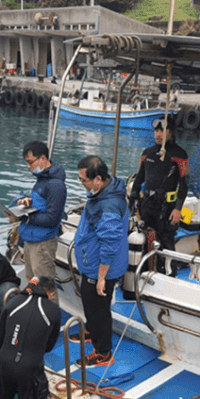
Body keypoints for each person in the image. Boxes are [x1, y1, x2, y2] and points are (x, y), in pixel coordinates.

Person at [74, 156, 130, 367]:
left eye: (84, 181)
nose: (83, 185)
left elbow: (110, 243)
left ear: (98, 179)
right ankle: (92, 331)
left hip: (101, 268)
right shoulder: (106, 190)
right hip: (91, 263)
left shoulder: (109, 206)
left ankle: (103, 352)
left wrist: (101, 278)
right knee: (90, 305)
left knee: (99, 309)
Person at [8, 140, 67, 305]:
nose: (28, 166)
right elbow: (40, 205)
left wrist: (26, 217)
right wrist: (25, 201)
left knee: (45, 285)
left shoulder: (55, 185)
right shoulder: (42, 179)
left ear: (42, 159)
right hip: (31, 239)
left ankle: (50, 321)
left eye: (30, 162)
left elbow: (52, 219)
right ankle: (36, 315)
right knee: (31, 281)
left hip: (43, 243)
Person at [130, 115, 190, 273]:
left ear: (170, 132)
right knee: (145, 239)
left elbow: (183, 186)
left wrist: (178, 209)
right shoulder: (147, 153)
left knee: (166, 241)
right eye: (156, 130)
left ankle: (172, 275)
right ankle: (145, 272)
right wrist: (132, 201)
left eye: (162, 130)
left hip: (167, 208)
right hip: (148, 205)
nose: (158, 134)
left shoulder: (179, 155)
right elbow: (138, 180)